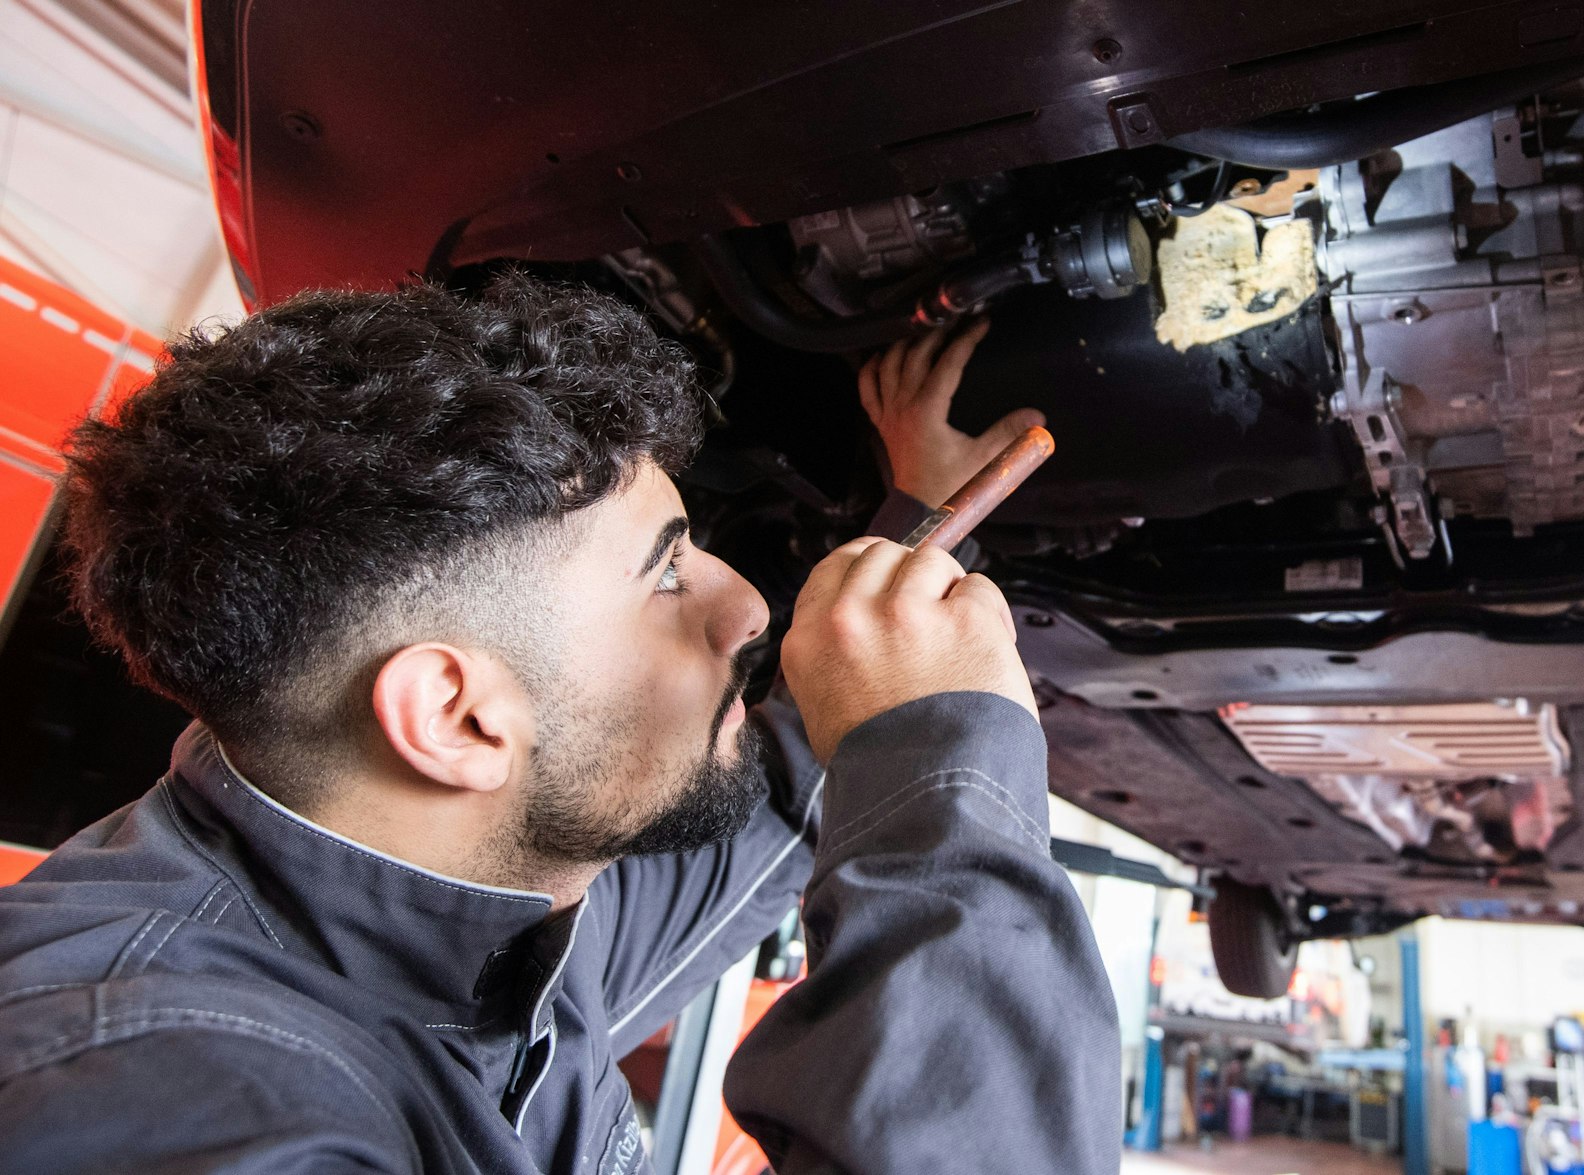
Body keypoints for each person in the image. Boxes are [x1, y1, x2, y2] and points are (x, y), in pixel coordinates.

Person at [0, 275, 1119, 1173]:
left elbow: (766, 792)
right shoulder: (170, 1103)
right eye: (665, 575)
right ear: (455, 715)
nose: (747, 606)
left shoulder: (468, 886)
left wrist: (920, 523)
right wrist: (944, 754)